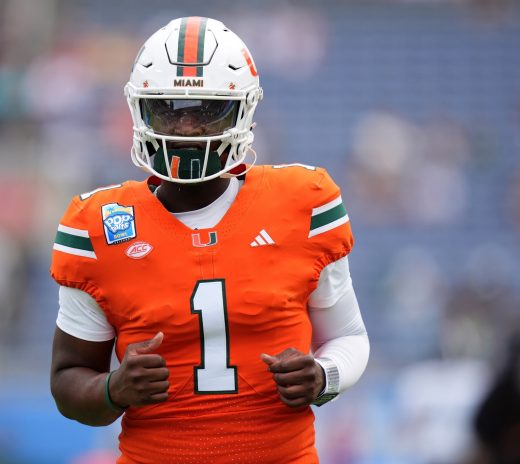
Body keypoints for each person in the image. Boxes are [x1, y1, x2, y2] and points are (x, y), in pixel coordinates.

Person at [50, 16, 369, 463]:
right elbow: (68, 381)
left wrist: (323, 374)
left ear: (244, 109)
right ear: (140, 109)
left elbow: (350, 337)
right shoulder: (101, 226)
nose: (185, 129)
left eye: (206, 110)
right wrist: (113, 388)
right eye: (169, 110)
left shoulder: (304, 203)